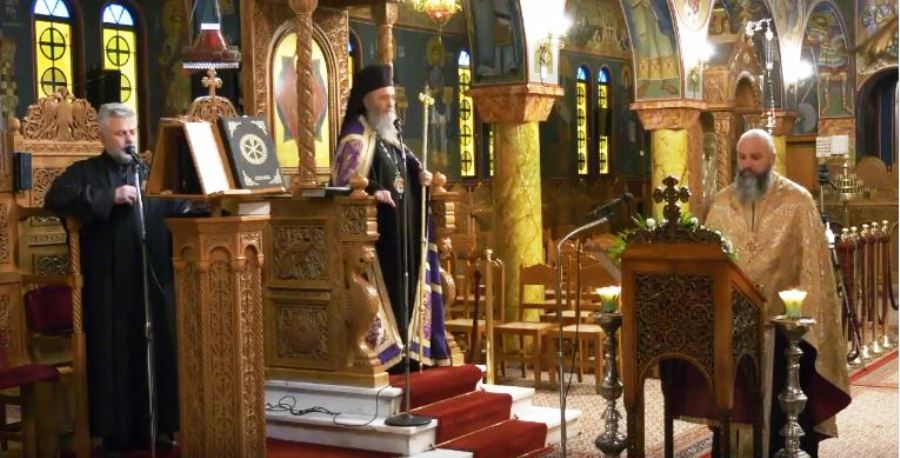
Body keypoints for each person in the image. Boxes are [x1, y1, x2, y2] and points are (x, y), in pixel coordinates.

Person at [699, 129, 852, 455]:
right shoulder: (720, 204)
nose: (747, 165)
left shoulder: (798, 202)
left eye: (755, 157)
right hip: (732, 328)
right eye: (742, 157)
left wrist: (806, 323)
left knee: (784, 412)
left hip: (783, 332)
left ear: (772, 159)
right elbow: (708, 264)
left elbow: (814, 270)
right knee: (733, 408)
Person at [44, 103, 182, 454]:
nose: (129, 140)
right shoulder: (85, 172)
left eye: (132, 132)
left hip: (150, 280)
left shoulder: (150, 172)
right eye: (120, 134)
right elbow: (55, 197)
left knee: (157, 348)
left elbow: (177, 206)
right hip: (108, 285)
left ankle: (160, 427)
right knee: (114, 355)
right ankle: (115, 434)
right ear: (103, 136)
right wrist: (110, 196)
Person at [332, 64, 450, 370]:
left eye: (392, 98)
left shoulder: (390, 134)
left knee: (407, 289)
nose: (390, 104)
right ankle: (387, 353)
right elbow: (344, 182)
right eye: (383, 98)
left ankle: (410, 349)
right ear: (367, 100)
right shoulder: (355, 137)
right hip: (378, 238)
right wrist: (373, 189)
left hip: (403, 230)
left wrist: (421, 176)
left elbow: (406, 167)